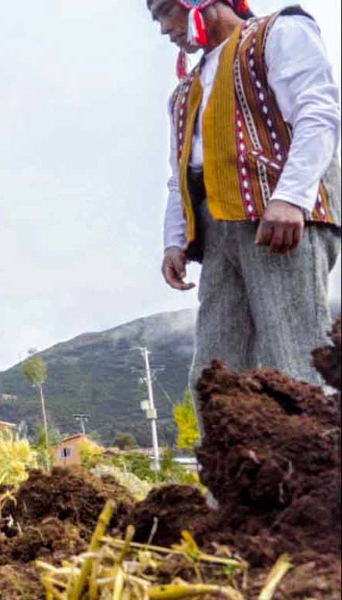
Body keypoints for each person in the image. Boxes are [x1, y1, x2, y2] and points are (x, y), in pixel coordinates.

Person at [149, 0, 341, 391]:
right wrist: (174, 240)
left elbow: (318, 113)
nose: (164, 28)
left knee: (293, 356)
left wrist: (291, 197)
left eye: (167, 10)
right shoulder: (185, 91)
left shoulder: (278, 33)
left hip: (278, 219)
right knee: (216, 372)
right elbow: (179, 174)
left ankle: (310, 452)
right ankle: (230, 454)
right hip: (216, 229)